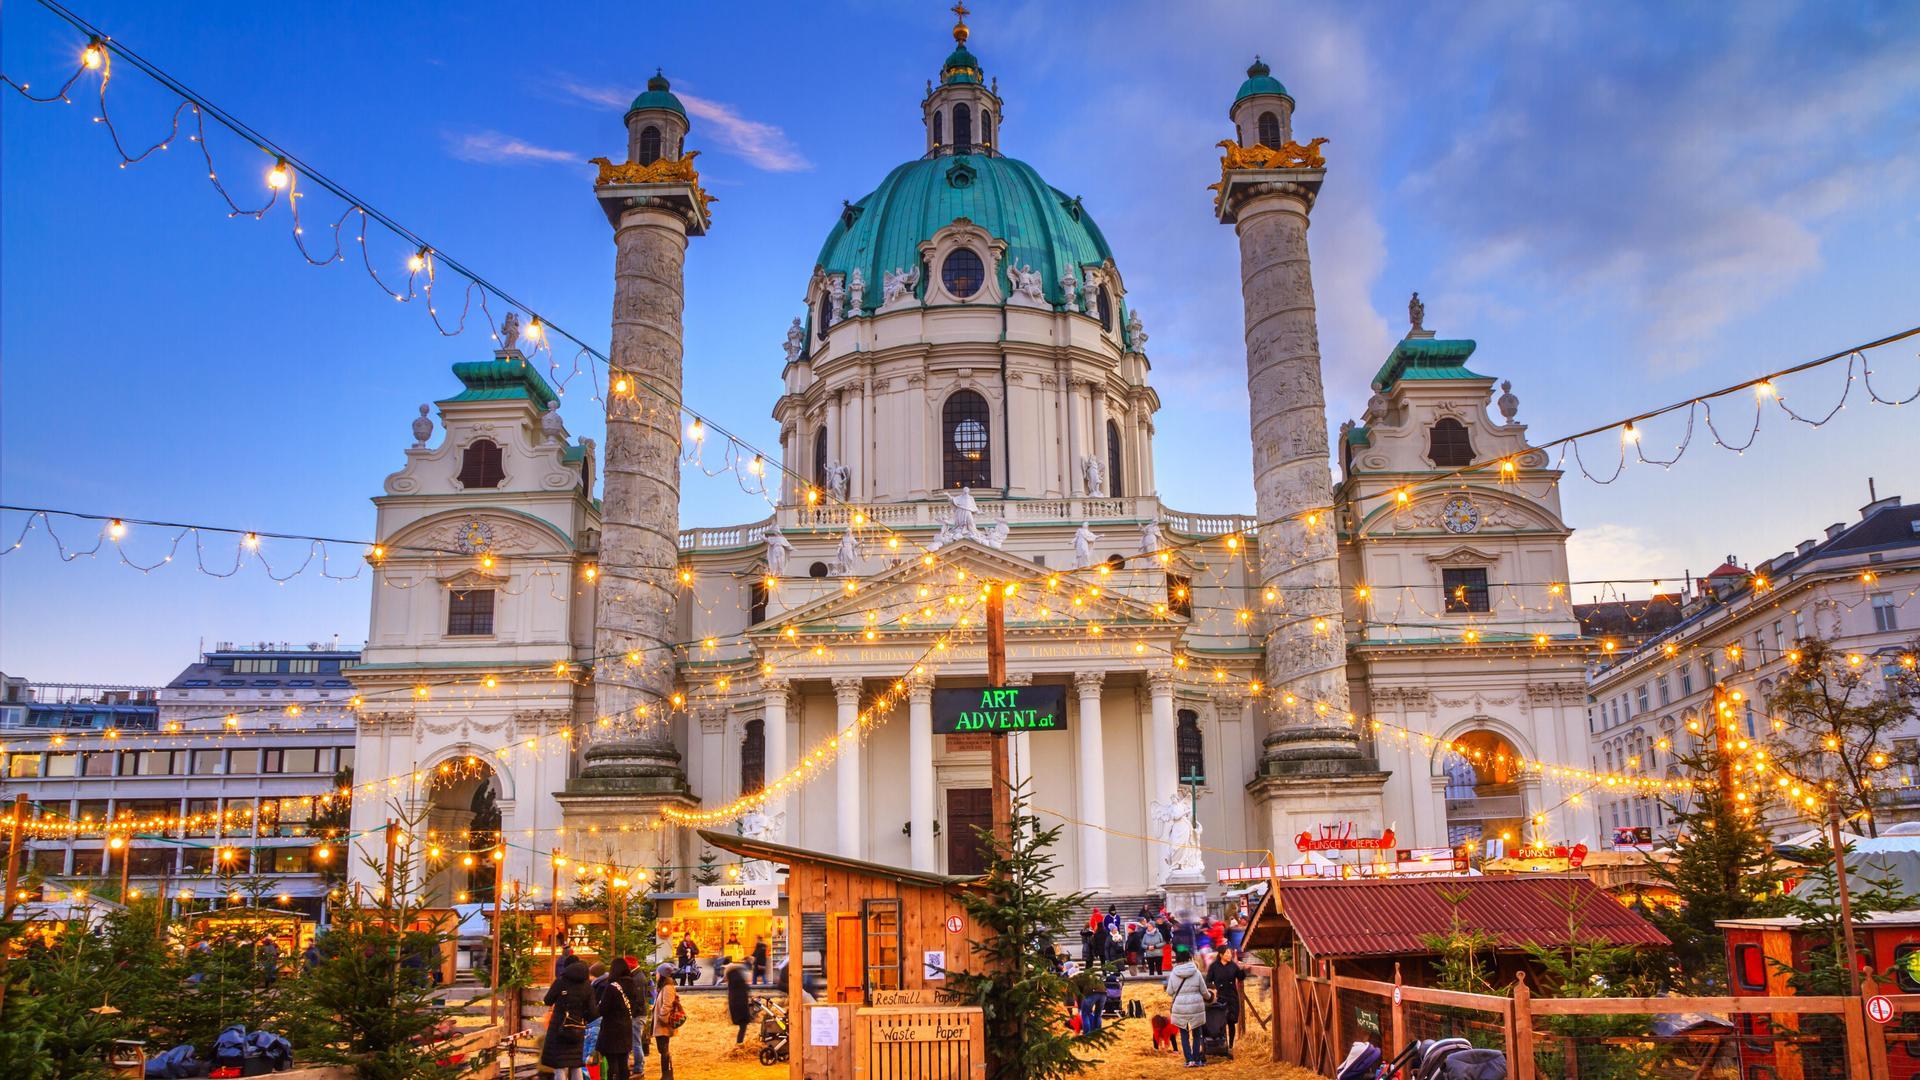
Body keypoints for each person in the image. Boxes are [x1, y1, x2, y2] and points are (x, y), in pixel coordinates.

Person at [542, 959, 600, 1080]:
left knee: (560, 1064)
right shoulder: (587, 986)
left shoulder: (561, 982)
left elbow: (547, 1000)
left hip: (559, 1028)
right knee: (575, 1064)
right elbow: (593, 1013)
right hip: (577, 1029)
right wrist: (582, 1016)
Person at [1164, 945, 1211, 1068]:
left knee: (1184, 1034)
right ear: (1190, 958)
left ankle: (1189, 1060)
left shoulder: (1174, 973)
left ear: (1177, 959)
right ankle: (1197, 1060)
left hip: (1180, 1007)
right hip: (1196, 1007)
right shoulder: (1196, 972)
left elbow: (1169, 991)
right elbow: (1204, 991)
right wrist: (1210, 997)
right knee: (1197, 1033)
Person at [597, 957, 638, 1080]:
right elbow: (635, 1006)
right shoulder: (632, 984)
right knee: (623, 1062)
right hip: (626, 1027)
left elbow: (602, 1010)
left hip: (612, 1030)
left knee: (612, 1063)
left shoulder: (612, 987)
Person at [1205, 946, 1247, 1049]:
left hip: (1232, 996)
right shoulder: (1214, 966)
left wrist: (1242, 968)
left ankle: (1231, 1046)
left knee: (1231, 1022)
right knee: (1221, 1022)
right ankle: (1222, 1044)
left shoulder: (1233, 966)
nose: (1229, 955)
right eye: (1227, 953)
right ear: (1221, 955)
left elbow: (1240, 977)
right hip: (1220, 997)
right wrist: (1215, 987)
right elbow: (1208, 981)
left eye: (1230, 953)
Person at [650, 967, 685, 1080]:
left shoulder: (668, 987)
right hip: (661, 1024)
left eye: (657, 973)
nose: (656, 975)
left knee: (664, 1049)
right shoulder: (664, 987)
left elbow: (667, 1005)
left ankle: (667, 1075)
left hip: (663, 1025)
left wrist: (662, 1018)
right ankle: (666, 1074)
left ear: (662, 974)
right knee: (663, 1049)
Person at [1073, 964, 1106, 1036]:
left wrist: (1079, 1006)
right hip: (1103, 993)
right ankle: (1097, 1032)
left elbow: (1076, 994)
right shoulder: (1089, 977)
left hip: (1092, 993)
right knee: (1098, 1013)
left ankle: (1087, 1033)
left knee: (1085, 1014)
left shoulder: (1074, 979)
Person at [726, 960, 753, 1043]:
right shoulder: (739, 980)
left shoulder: (732, 980)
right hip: (741, 1006)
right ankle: (739, 1042)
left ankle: (739, 1042)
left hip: (735, 1005)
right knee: (743, 1025)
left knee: (742, 1026)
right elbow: (745, 989)